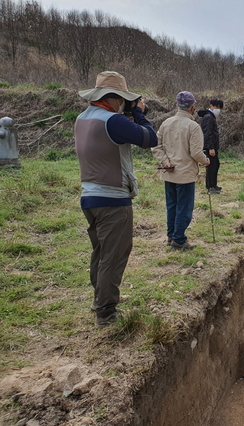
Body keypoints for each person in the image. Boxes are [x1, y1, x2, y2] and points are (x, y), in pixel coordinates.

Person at [75, 71, 158, 327]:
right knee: (114, 255)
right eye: (124, 99)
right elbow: (149, 138)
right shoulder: (113, 121)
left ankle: (99, 300)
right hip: (113, 199)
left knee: (100, 253)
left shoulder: (82, 118)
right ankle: (106, 313)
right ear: (116, 98)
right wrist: (140, 113)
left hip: (89, 196)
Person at [152, 91, 210, 250]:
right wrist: (206, 161)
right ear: (193, 108)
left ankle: (171, 237)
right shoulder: (193, 126)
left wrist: (165, 162)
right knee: (184, 209)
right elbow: (197, 153)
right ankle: (178, 239)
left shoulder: (166, 123)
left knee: (172, 206)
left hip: (169, 173)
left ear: (177, 105)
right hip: (185, 176)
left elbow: (155, 146)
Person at [198, 98, 223, 194]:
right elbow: (207, 133)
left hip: (213, 146)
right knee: (211, 166)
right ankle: (210, 187)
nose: (218, 109)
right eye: (216, 107)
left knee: (215, 165)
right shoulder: (208, 117)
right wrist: (210, 147)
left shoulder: (211, 117)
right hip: (210, 147)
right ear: (211, 106)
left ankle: (213, 185)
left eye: (219, 107)